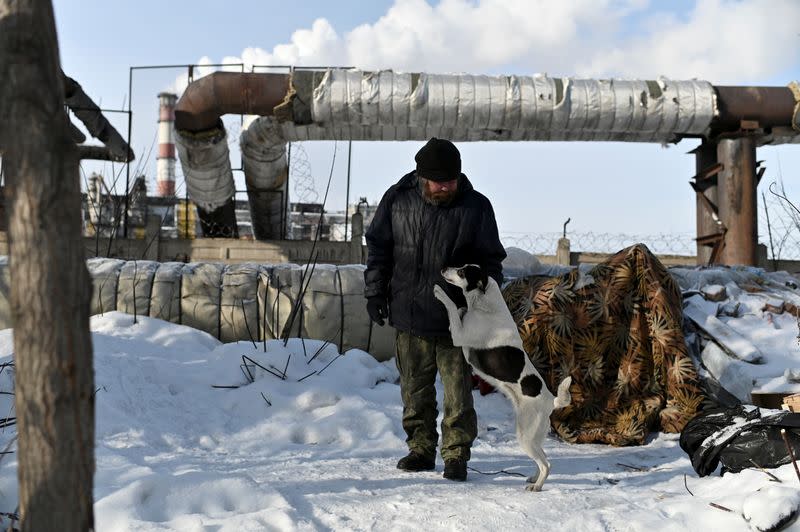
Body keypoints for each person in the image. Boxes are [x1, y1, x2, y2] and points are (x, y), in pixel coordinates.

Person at [363, 137, 507, 482]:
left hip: (458, 320)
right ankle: (420, 449)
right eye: (438, 181)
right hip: (409, 314)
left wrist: (482, 303)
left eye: (450, 181)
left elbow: (491, 262)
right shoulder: (396, 201)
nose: (444, 187)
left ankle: (456, 455)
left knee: (458, 395)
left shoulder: (476, 208)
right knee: (414, 391)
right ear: (421, 176)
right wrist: (374, 293)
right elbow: (379, 250)